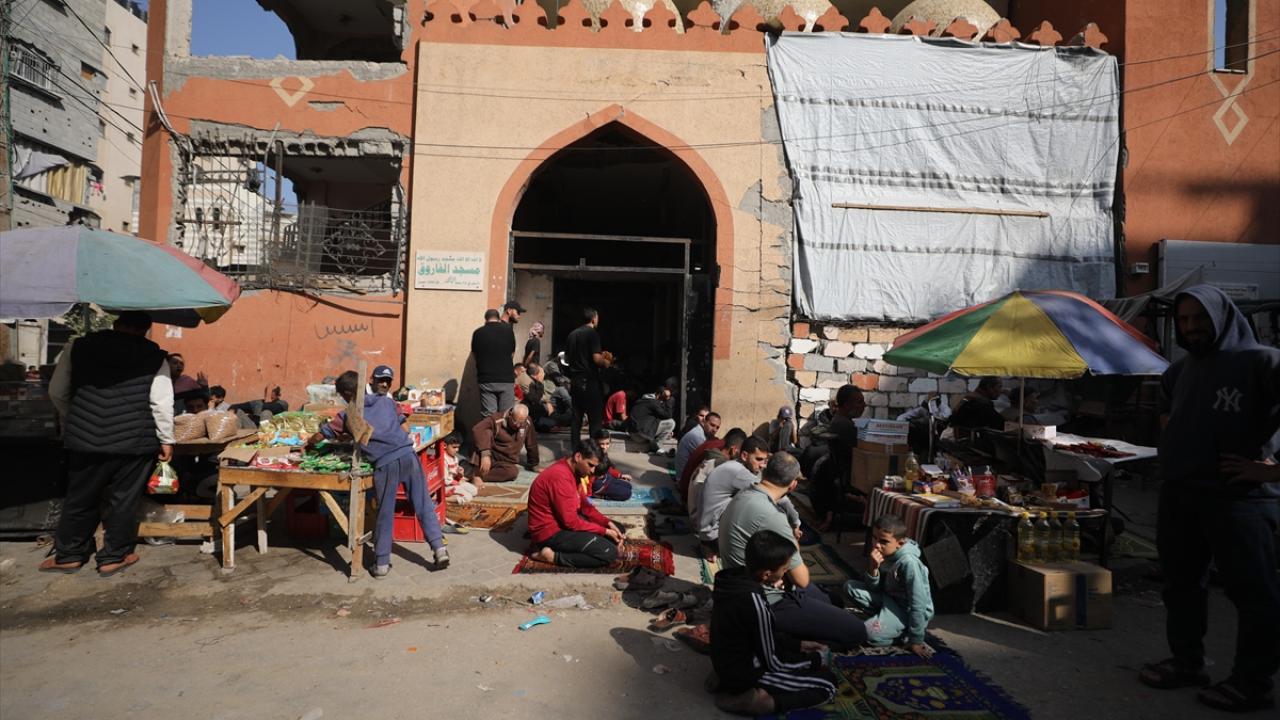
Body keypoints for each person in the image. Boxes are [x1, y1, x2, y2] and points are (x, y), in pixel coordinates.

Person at [1138, 285, 1279, 714]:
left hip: (1240, 500)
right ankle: (1187, 663)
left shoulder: (1262, 362)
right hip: (1181, 494)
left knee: (1253, 594)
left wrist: (1272, 470)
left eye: (1200, 318)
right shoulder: (1181, 370)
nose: (1191, 327)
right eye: (1183, 320)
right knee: (1181, 586)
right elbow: (1167, 411)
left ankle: (1252, 682)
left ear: (1223, 316)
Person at [41, 311, 173, 576]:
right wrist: (167, 439)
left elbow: (57, 391)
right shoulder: (154, 355)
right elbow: (160, 402)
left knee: (80, 497)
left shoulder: (78, 347)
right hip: (134, 440)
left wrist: (76, 417)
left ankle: (68, 556)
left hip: (85, 439)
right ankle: (113, 557)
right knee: (123, 500)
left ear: (115, 324)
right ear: (146, 330)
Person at [719, 453, 867, 649]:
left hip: (739, 586)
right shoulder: (773, 516)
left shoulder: (744, 494)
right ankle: (785, 642)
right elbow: (801, 579)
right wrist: (793, 542)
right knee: (856, 632)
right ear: (793, 484)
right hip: (768, 599)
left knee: (835, 601)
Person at [308, 371, 447, 578]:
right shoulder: (386, 401)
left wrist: (308, 443)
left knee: (385, 512)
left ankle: (382, 563)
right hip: (408, 455)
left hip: (385, 463)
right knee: (423, 502)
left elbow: (323, 434)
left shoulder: (348, 415)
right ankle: (439, 549)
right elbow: (403, 426)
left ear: (347, 394)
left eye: (342, 396)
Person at [711, 530, 838, 716]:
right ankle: (763, 703)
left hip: (727, 661)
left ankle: (727, 680)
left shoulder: (732, 580)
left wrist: (799, 645)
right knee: (828, 684)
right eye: (784, 569)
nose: (786, 572)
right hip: (745, 673)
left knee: (792, 651)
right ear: (766, 574)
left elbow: (761, 635)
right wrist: (815, 660)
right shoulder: (754, 603)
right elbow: (773, 663)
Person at [527, 438, 625, 569]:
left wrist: (607, 523)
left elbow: (585, 507)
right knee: (609, 553)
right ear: (578, 457)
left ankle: (602, 538)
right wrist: (604, 531)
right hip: (550, 533)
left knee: (618, 529)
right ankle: (552, 556)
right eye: (590, 465)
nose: (593, 471)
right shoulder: (560, 477)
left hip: (564, 523)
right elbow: (571, 523)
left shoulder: (574, 472)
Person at [697, 437, 801, 559]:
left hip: (706, 531)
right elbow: (776, 496)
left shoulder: (733, 466)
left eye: (765, 461)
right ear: (744, 456)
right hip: (713, 536)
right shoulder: (738, 472)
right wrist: (795, 523)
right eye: (758, 459)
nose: (762, 465)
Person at [845, 515, 934, 656]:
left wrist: (916, 640)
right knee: (850, 587)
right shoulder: (886, 553)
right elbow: (875, 588)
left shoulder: (909, 563)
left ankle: (902, 633)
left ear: (900, 543)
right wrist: (873, 568)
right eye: (874, 538)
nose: (876, 545)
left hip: (906, 609)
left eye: (883, 541)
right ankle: (887, 622)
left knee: (868, 634)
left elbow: (918, 603)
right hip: (890, 599)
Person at [566, 307, 609, 451]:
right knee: (595, 419)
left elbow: (567, 359)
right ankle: (594, 451)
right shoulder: (592, 334)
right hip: (589, 382)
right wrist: (606, 362)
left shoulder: (572, 335)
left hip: (575, 381)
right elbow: (596, 359)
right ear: (593, 319)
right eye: (597, 318)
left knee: (576, 418)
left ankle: (575, 451)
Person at [687, 428, 746, 523]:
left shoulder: (712, 458)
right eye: (742, 454)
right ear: (734, 450)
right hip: (700, 520)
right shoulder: (721, 466)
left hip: (694, 512)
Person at [471, 403, 539, 483]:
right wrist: (485, 454)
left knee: (512, 472)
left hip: (506, 461)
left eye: (521, 423)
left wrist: (534, 464)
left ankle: (475, 475)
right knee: (486, 433)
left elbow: (531, 443)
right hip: (491, 455)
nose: (518, 426)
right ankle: (476, 473)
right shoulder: (496, 419)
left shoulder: (527, 422)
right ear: (510, 415)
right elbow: (477, 429)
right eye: (515, 422)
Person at [471, 309, 517, 415]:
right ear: (498, 318)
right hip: (506, 378)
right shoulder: (508, 331)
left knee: (489, 416)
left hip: (486, 379)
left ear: (485, 319)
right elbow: (512, 354)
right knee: (506, 414)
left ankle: (490, 426)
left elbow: (475, 355)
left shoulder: (478, 333)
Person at [587, 429, 633, 501]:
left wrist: (620, 475)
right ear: (596, 443)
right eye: (602, 444)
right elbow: (590, 478)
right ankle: (600, 496)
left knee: (628, 486)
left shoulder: (603, 453)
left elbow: (608, 469)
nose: (605, 447)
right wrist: (589, 494)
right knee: (627, 493)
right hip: (599, 484)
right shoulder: (593, 456)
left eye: (607, 443)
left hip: (607, 478)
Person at [675, 411, 722, 480]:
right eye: (712, 425)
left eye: (717, 427)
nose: (714, 430)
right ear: (704, 421)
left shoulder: (703, 432)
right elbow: (711, 459)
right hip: (683, 480)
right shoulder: (697, 436)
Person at [630, 384, 676, 453]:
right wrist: (668, 399)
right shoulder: (653, 403)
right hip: (641, 436)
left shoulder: (641, 400)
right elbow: (668, 415)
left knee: (659, 422)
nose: (662, 402)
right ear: (658, 395)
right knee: (671, 423)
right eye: (662, 398)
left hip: (632, 434)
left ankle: (654, 442)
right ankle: (656, 446)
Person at [439, 431, 478, 505]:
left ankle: (455, 495)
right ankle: (444, 499)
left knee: (474, 491)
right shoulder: (443, 460)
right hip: (446, 486)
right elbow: (445, 480)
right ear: (444, 446)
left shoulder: (455, 458)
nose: (457, 450)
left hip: (454, 483)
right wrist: (458, 483)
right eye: (454, 447)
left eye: (458, 447)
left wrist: (460, 474)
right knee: (468, 497)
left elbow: (456, 476)